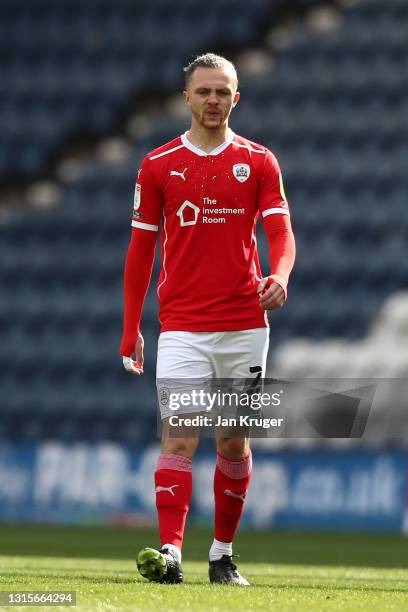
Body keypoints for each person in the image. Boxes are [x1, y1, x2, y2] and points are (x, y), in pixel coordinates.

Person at [120, 53, 296, 585]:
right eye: (204, 92)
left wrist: (281, 276)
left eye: (223, 91)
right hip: (181, 327)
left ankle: (222, 555)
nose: (213, 100)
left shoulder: (259, 161)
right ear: (187, 98)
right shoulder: (157, 164)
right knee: (177, 438)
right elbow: (139, 252)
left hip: (244, 324)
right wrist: (131, 328)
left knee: (233, 444)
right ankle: (171, 553)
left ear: (236, 98)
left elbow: (282, 236)